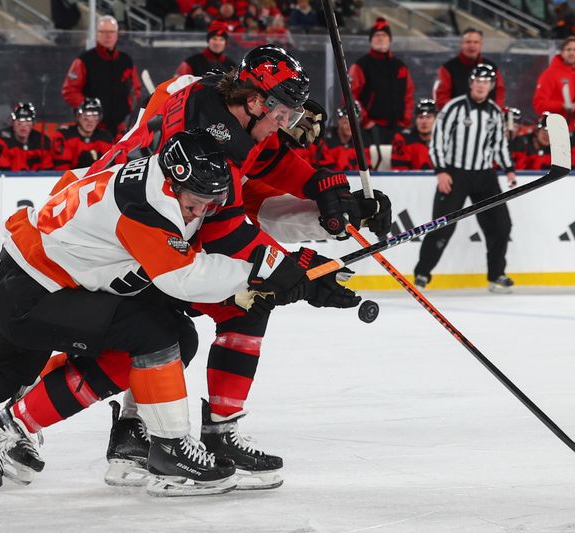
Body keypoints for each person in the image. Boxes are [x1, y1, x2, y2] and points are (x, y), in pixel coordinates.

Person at [0, 129, 316, 496]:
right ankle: (168, 451)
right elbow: (182, 278)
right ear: (173, 184)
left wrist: (293, 260)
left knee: (177, 338)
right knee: (152, 333)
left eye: (210, 204)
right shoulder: (145, 207)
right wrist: (260, 271)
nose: (201, 212)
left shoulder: (163, 181)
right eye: (194, 204)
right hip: (32, 296)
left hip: (55, 282)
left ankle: (11, 427)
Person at [87, 45, 390, 488]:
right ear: (254, 101)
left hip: (151, 235)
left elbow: (266, 171)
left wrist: (326, 189)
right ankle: (148, 439)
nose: (289, 128)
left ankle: (174, 436)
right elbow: (225, 231)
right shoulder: (211, 138)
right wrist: (299, 272)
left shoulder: (228, 114)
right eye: (285, 114)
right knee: (170, 325)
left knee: (231, 309)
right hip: (128, 243)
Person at [414, 64, 516, 293]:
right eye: (478, 80)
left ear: (491, 86)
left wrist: (509, 169)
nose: (481, 85)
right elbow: (437, 141)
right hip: (454, 173)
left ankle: (496, 274)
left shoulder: (494, 112)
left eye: (486, 82)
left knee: (501, 226)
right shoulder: (454, 108)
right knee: (441, 227)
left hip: (485, 175)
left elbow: (499, 145)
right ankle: (422, 273)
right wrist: (440, 170)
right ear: (471, 83)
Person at [61, 15, 142, 137]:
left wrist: (127, 108)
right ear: (97, 34)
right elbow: (69, 90)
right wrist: (90, 110)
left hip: (120, 128)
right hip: (92, 130)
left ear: (117, 34)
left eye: (111, 32)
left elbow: (135, 89)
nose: (108, 35)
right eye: (103, 32)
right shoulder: (84, 60)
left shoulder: (126, 61)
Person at [349, 18, 414, 145]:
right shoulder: (361, 66)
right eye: (376, 35)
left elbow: (409, 95)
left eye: (383, 35)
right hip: (371, 129)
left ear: (389, 39)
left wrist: (406, 121)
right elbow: (351, 96)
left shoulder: (400, 66)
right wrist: (365, 121)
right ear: (370, 40)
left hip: (398, 127)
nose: (380, 38)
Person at [434, 28, 505, 110]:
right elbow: (442, 97)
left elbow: (500, 93)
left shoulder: (492, 67)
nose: (472, 45)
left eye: (476, 42)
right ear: (462, 44)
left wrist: (495, 110)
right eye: (468, 42)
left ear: (481, 44)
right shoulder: (448, 68)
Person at [532, 36, 575, 129]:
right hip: (554, 128)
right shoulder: (549, 74)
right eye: (568, 49)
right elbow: (539, 105)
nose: (571, 53)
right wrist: (562, 106)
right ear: (562, 53)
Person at [0, 102, 54, 172]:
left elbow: (47, 172)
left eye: (28, 121)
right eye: (19, 121)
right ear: (13, 123)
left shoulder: (42, 141)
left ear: (33, 124)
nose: (23, 125)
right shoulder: (2, 140)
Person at [51, 98, 115, 170]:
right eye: (86, 116)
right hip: (71, 179)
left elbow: (110, 167)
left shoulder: (105, 137)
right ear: (78, 117)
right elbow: (61, 169)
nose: (90, 121)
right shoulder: (64, 135)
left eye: (94, 116)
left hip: (98, 179)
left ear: (99, 119)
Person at [314, 104, 372, 171]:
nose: (349, 126)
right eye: (345, 122)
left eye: (354, 124)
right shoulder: (325, 139)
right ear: (339, 121)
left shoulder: (363, 141)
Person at [390, 98, 435, 170]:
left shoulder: (445, 141)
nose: (424, 121)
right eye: (420, 117)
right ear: (415, 120)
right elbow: (399, 169)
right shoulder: (403, 139)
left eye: (428, 117)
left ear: (436, 119)